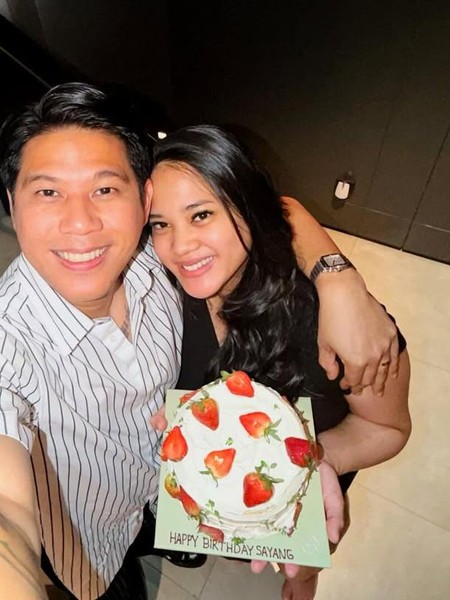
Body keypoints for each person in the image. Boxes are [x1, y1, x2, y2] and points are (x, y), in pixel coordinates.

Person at [0, 83, 402, 600]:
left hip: (166, 496)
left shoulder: (157, 259)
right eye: (48, 192)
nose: (80, 223)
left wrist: (337, 279)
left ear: (142, 198)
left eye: (105, 189)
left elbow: (270, 207)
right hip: (92, 553)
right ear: (12, 205)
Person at [147, 125, 412, 600]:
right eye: (160, 224)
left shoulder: (333, 325)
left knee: (305, 553)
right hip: (212, 493)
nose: (179, 246)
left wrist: (305, 463)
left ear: (249, 207)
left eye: (201, 215)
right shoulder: (165, 288)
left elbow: (388, 427)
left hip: (305, 487)